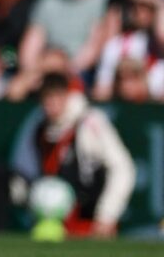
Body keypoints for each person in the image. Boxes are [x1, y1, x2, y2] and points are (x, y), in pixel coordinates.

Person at [12, 72, 135, 238]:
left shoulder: (89, 122)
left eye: (57, 96)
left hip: (89, 217)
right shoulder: (38, 126)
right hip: (53, 221)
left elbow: (123, 168)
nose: (52, 104)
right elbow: (23, 172)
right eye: (47, 98)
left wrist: (107, 215)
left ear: (67, 96)